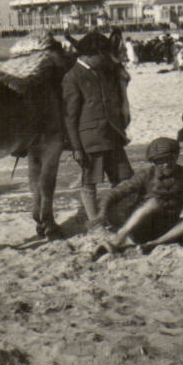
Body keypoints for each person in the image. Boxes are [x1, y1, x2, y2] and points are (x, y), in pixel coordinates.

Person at [93, 137, 183, 258]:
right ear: (154, 162)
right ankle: (119, 238)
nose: (166, 164)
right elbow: (114, 194)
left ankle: (154, 244)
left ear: (176, 157)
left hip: (168, 228)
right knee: (154, 202)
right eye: (160, 161)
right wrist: (102, 213)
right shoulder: (145, 175)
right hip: (141, 227)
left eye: (169, 159)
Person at [62, 31, 133, 228]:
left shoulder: (103, 70)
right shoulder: (72, 76)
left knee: (124, 178)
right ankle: (94, 221)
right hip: (90, 139)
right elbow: (70, 117)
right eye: (102, 55)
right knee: (90, 181)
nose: (105, 59)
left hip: (112, 134)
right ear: (90, 55)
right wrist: (77, 148)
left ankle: (116, 214)